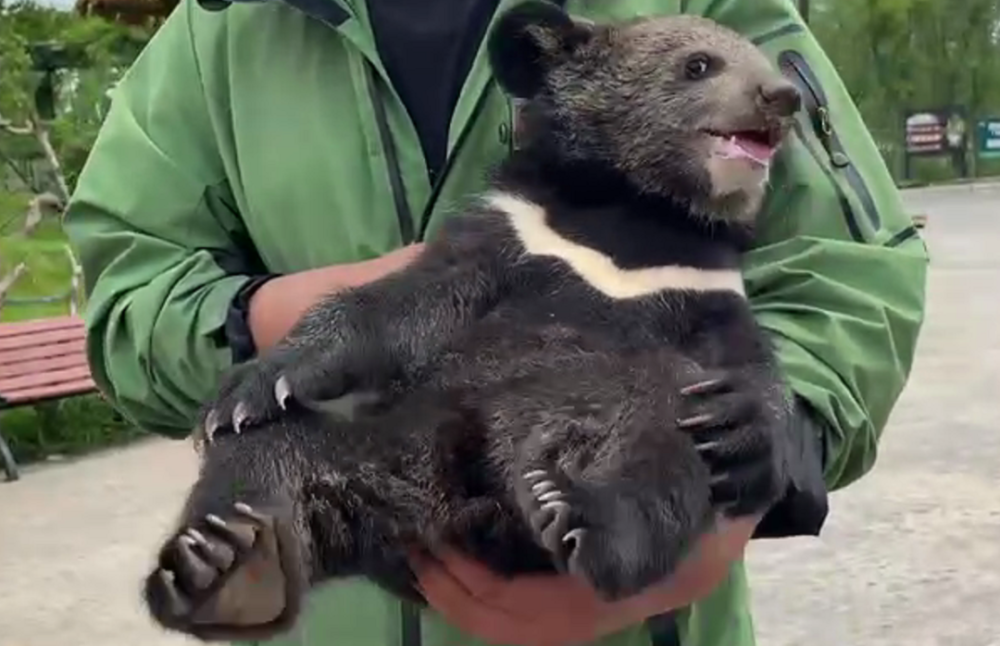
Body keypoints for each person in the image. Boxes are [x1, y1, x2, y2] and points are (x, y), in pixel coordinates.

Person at [63, 0, 929, 645]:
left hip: (613, 531)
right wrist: (265, 328)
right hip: (392, 521)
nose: (767, 100)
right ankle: (255, 552)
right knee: (268, 455)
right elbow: (130, 287)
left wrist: (751, 475)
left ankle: (619, 532)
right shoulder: (216, 37)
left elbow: (847, 270)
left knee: (672, 418)